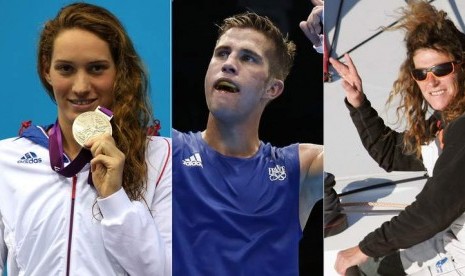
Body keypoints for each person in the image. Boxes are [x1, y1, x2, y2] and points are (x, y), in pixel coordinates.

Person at [0, 3, 171, 275]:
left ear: (119, 71)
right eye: (66, 69)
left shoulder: (162, 158)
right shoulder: (6, 160)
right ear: (47, 71)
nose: (80, 87)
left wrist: (115, 198)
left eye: (96, 68)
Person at [172, 11, 323, 275]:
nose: (228, 64)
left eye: (247, 57)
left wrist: (336, 49)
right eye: (222, 53)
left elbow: (372, 155)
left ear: (272, 89)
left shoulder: (299, 169)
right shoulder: (168, 150)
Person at [329, 0, 465, 275]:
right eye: (421, 73)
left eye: (441, 69)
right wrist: (358, 103)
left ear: (461, 66)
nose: (432, 82)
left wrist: (364, 248)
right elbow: (391, 154)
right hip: (448, 236)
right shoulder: (445, 120)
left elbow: (432, 211)